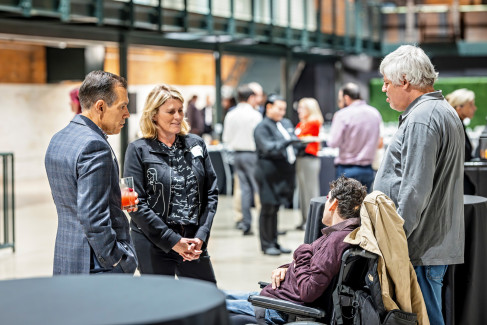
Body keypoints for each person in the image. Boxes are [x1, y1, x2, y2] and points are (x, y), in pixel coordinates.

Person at [373, 45, 465, 325]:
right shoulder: (439, 110)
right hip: (428, 244)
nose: (384, 89)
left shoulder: (422, 118)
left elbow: (414, 190)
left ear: (404, 81)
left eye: (387, 82)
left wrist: (395, 242)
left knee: (425, 318)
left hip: (420, 246)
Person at [225, 176, 366, 324]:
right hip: (276, 298)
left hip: (276, 308)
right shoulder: (344, 234)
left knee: (211, 305)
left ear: (334, 204)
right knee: (218, 294)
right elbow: (312, 269)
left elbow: (308, 291)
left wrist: (303, 251)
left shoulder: (335, 241)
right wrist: (287, 268)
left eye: (327, 198)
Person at [123, 84, 219, 283]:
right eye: (171, 111)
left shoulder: (196, 144)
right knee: (160, 304)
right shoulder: (136, 149)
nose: (178, 116)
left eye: (180, 111)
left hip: (193, 242)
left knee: (205, 296)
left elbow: (211, 193)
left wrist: (201, 235)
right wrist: (173, 241)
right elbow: (131, 203)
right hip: (152, 242)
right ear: (154, 114)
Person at [45, 70, 138, 275]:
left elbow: (73, 196)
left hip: (67, 255)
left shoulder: (58, 139)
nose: (127, 114)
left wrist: (114, 196)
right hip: (96, 264)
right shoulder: (94, 145)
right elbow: (92, 217)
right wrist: (116, 260)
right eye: (122, 106)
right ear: (101, 106)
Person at [254, 94, 297, 256]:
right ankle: (266, 244)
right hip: (267, 174)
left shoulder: (284, 123)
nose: (282, 112)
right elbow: (267, 148)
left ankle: (274, 241)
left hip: (281, 174)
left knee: (275, 208)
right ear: (268, 107)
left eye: (284, 109)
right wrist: (289, 142)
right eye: (279, 109)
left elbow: (293, 140)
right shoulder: (262, 127)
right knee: (267, 208)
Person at [223, 84, 262, 236]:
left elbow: (226, 137)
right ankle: (262, 222)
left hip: (237, 155)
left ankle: (246, 224)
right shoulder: (255, 115)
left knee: (244, 189)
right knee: (258, 189)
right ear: (251, 98)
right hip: (252, 155)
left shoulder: (231, 114)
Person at [327, 82, 382, 192]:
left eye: (340, 100)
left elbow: (333, 142)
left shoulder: (342, 114)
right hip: (368, 169)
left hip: (347, 169)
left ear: (346, 98)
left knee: (346, 208)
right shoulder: (375, 113)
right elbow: (379, 140)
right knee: (364, 207)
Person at [294, 97, 324, 231]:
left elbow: (300, 139)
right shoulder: (301, 124)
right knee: (302, 191)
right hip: (301, 158)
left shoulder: (314, 123)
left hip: (310, 159)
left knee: (311, 191)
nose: (299, 111)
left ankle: (312, 221)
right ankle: (304, 219)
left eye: (302, 108)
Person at [446, 88, 478, 194]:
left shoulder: (458, 124)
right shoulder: (454, 126)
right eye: (471, 105)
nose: (475, 108)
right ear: (459, 108)